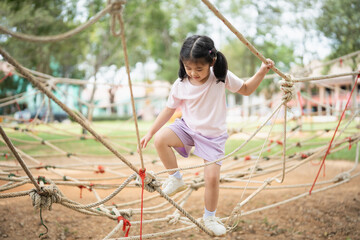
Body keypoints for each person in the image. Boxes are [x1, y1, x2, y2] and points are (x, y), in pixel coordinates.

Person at [139, 35, 274, 236]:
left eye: (198, 69)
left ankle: (209, 217)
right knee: (161, 139)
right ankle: (175, 178)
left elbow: (246, 89)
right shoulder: (180, 84)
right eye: (188, 68)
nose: (193, 73)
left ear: (212, 62)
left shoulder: (220, 77)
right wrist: (151, 131)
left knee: (211, 179)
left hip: (213, 137)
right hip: (188, 128)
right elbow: (168, 110)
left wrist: (262, 71)